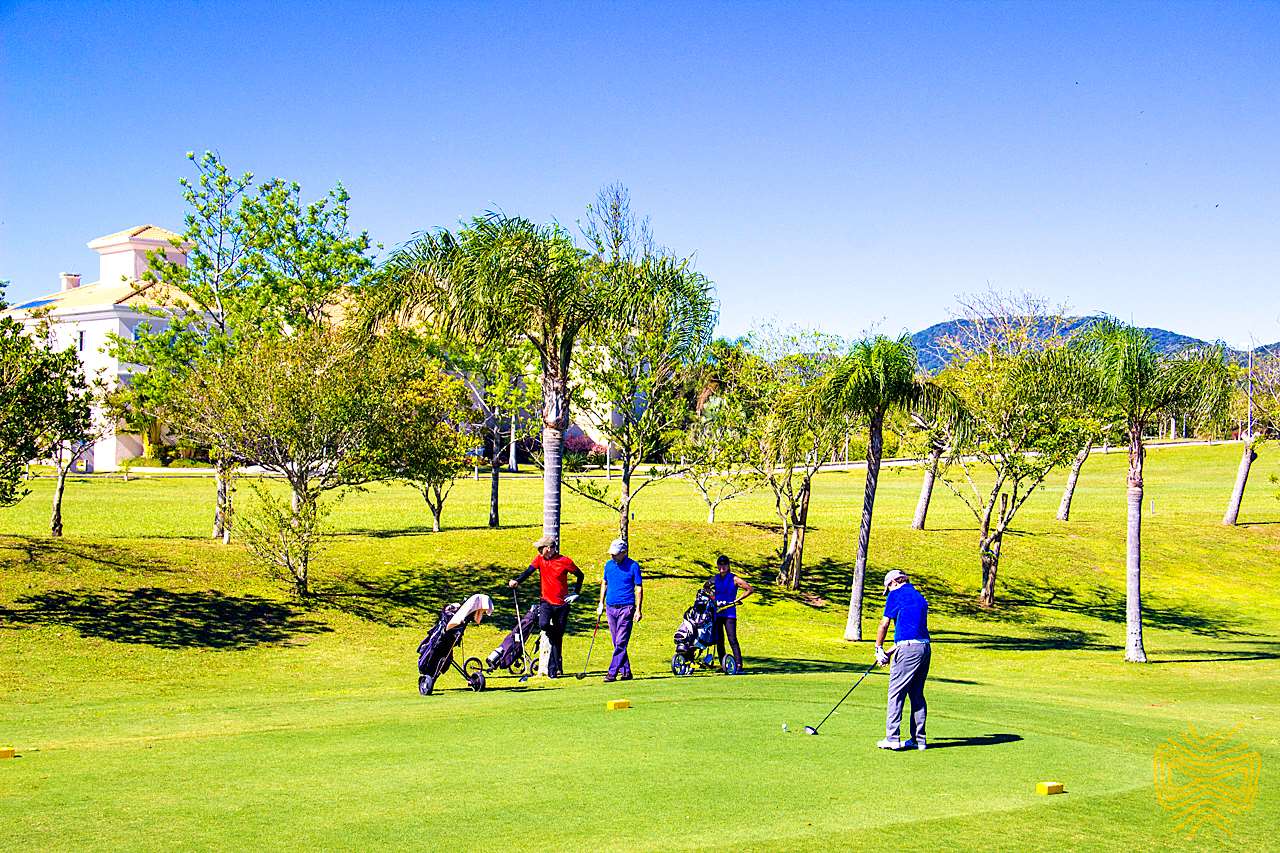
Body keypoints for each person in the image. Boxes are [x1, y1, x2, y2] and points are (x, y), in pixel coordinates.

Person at [509, 535, 583, 678]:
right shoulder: (540, 560)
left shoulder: (564, 561)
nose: (538, 551)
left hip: (562, 605)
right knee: (543, 624)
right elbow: (528, 572)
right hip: (546, 602)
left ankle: (554, 670)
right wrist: (517, 581)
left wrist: (576, 593)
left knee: (557, 638)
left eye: (540, 548)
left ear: (548, 549)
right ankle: (555, 665)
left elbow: (580, 575)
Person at [875, 569, 930, 750]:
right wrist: (889, 653)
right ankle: (918, 740)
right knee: (916, 694)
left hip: (908, 650)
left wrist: (879, 648)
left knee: (895, 693)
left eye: (888, 588)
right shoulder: (919, 597)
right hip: (924, 649)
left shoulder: (896, 595)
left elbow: (884, 623)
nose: (888, 593)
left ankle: (892, 739)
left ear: (893, 583)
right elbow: (911, 635)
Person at [596, 538, 643, 683]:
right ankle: (626, 672)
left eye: (615, 554)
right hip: (611, 607)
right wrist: (600, 603)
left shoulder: (633, 566)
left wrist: (638, 610)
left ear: (624, 552)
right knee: (617, 642)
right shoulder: (608, 565)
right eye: (611, 553)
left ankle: (612, 673)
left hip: (626, 608)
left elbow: (638, 588)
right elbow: (605, 583)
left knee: (621, 641)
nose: (612, 556)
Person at [711, 555, 753, 672]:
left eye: (724, 564)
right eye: (720, 564)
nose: (722, 567)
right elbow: (706, 587)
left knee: (732, 639)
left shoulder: (734, 579)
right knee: (719, 640)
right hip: (718, 613)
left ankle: (739, 666)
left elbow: (749, 589)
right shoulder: (716, 578)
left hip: (729, 614)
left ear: (728, 565)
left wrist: (737, 600)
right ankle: (723, 665)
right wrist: (713, 598)